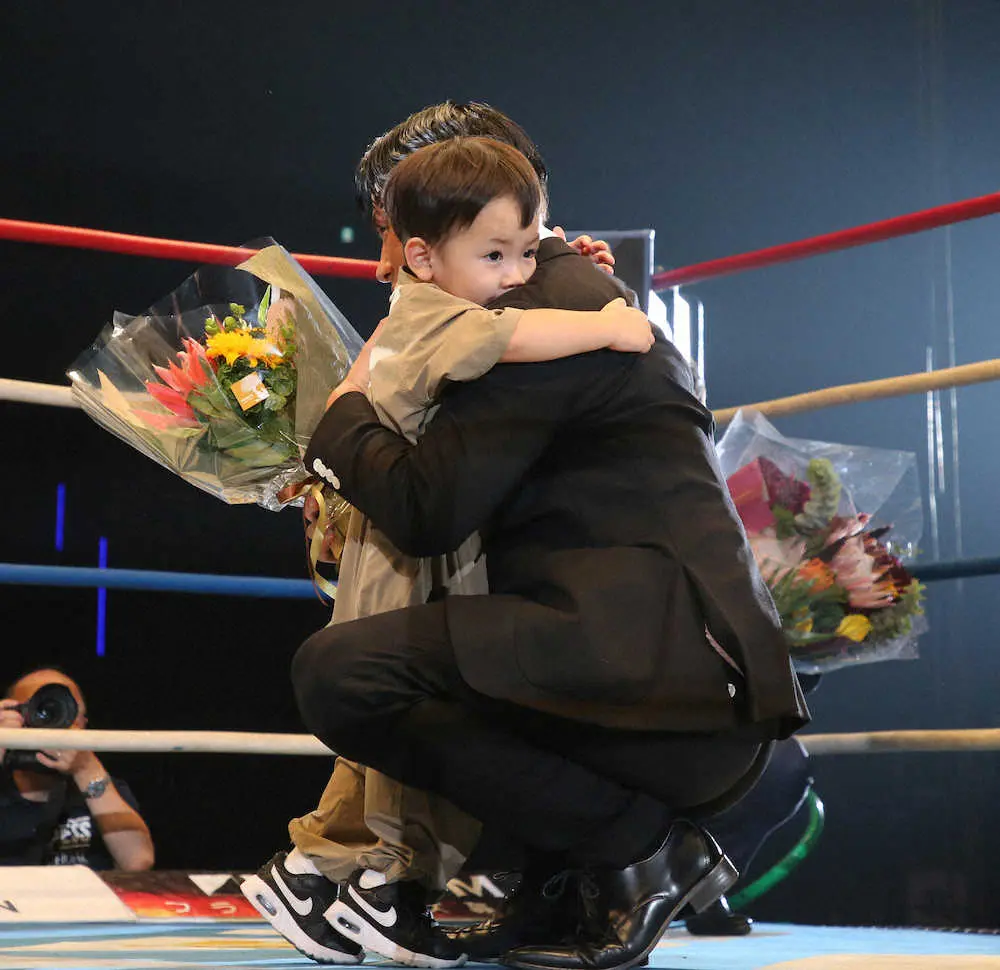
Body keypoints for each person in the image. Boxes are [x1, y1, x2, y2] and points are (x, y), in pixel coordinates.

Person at [293, 124, 810, 970]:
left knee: (344, 673)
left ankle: (638, 856)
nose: (385, 263)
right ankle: (561, 887)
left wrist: (339, 412)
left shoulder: (535, 314)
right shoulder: (561, 290)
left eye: (396, 230)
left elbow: (426, 509)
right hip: (655, 661)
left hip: (666, 684)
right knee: (456, 638)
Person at [242, 110, 642, 968]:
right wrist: (603, 313)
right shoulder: (444, 300)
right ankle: (365, 873)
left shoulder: (513, 278)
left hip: (475, 539)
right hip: (424, 531)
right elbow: (378, 424)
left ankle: (336, 869)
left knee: (406, 681)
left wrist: (566, 273)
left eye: (391, 229)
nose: (383, 259)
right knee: (402, 680)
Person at [0, 667, 154, 871]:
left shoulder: (102, 788)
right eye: (37, 709)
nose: (48, 724)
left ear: (82, 724)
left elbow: (137, 862)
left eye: (62, 712)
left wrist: (87, 770)